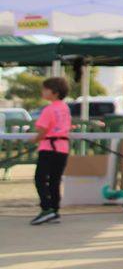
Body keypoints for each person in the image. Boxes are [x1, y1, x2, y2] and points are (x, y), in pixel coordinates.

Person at [31, 77, 71, 225]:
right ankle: (54, 210)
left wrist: (33, 140)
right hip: (62, 148)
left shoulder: (49, 109)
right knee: (55, 180)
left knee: (40, 179)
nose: (43, 91)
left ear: (54, 92)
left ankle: (46, 208)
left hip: (48, 148)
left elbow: (42, 130)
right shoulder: (65, 108)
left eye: (45, 89)